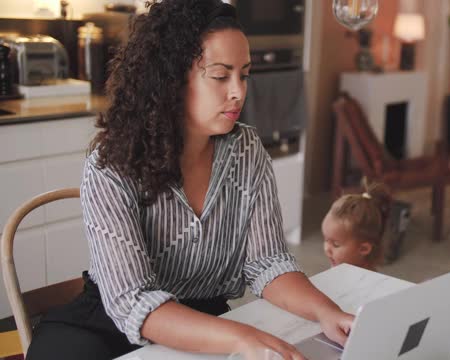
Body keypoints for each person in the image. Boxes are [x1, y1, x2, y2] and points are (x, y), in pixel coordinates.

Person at [26, 1, 352, 359]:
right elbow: (133, 300)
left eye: (243, 74)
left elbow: (268, 262)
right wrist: (240, 337)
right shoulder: (111, 163)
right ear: (172, 78)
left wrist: (326, 312)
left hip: (204, 321)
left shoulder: (247, 150)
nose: (238, 92)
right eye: (220, 75)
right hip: (105, 326)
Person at [322, 179, 392, 271]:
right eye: (326, 239)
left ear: (363, 249)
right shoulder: (338, 265)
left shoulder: (367, 281)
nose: (327, 249)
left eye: (336, 244)